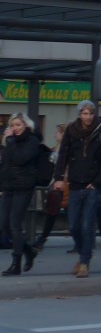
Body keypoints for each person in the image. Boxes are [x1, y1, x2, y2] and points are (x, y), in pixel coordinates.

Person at [51, 100, 101, 279]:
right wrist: (58, 178)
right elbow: (63, 154)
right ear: (80, 114)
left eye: (91, 114)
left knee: (87, 225)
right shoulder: (72, 130)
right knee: (73, 226)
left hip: (92, 185)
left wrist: (98, 181)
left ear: (94, 115)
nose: (88, 117)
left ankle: (85, 262)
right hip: (75, 184)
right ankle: (82, 253)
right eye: (85, 113)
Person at [0, 113, 42, 276]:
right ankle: (29, 251)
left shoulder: (32, 140)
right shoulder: (10, 142)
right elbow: (5, 165)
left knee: (15, 224)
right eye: (13, 125)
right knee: (4, 225)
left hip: (24, 186)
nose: (15, 128)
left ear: (26, 125)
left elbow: (20, 159)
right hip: (9, 186)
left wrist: (10, 141)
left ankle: (16, 262)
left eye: (18, 125)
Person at [33, 124, 66, 252]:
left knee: (54, 212)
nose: (54, 135)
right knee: (51, 212)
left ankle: (42, 238)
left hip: (63, 184)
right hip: (54, 184)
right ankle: (42, 238)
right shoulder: (55, 149)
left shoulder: (66, 149)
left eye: (57, 132)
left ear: (63, 134)